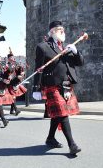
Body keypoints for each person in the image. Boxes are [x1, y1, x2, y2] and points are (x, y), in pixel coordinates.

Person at [33, 20, 84, 155]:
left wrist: (76, 51)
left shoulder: (67, 48)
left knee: (58, 115)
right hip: (52, 85)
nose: (62, 31)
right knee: (62, 112)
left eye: (63, 29)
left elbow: (80, 63)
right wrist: (36, 88)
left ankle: (50, 138)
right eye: (58, 29)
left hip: (66, 85)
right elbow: (38, 68)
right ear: (51, 32)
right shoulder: (43, 47)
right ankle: (72, 144)